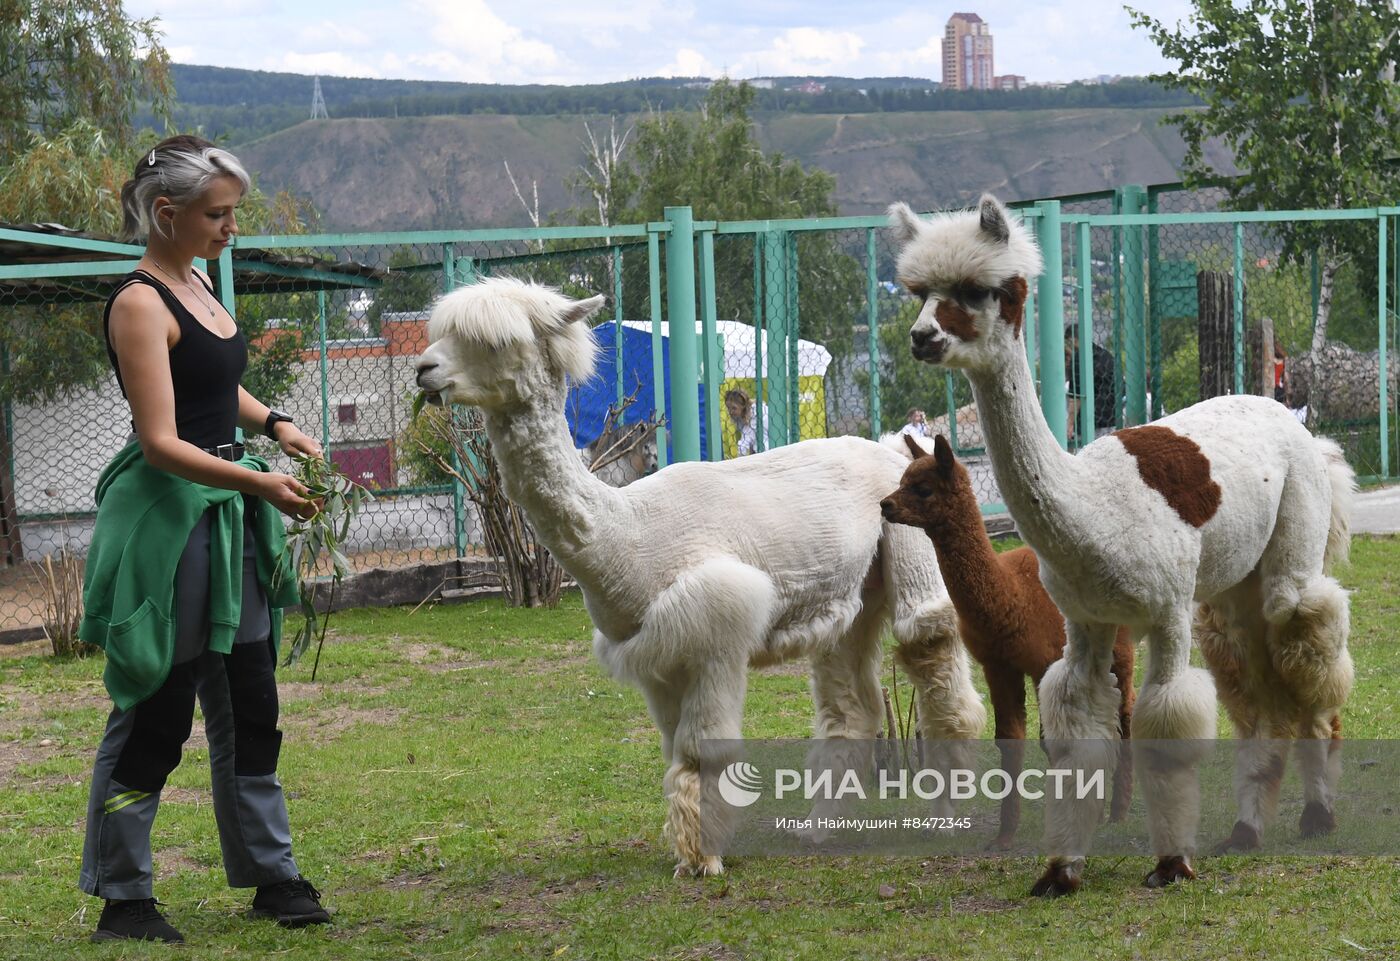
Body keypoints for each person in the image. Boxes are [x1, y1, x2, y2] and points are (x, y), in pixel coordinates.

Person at [77, 135, 331, 943]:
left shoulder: (197, 281)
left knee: (251, 697)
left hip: (227, 517)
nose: (231, 228)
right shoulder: (139, 302)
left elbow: (216, 383)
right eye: (218, 215)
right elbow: (160, 438)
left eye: (233, 214)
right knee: (158, 702)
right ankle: (124, 893)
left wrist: (275, 424)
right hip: (171, 521)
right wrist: (257, 480)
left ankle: (272, 873)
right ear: (166, 212)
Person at [1064, 326, 1117, 441]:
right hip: (1111, 419)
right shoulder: (1106, 355)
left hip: (1088, 421)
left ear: (1073, 339)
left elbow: (1076, 396)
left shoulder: (1079, 358)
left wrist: (1070, 423)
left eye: (1069, 341)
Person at [724, 387, 760, 456]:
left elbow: (744, 443)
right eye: (728, 408)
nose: (730, 412)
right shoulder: (741, 417)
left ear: (743, 406)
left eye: (734, 408)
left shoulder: (754, 414)